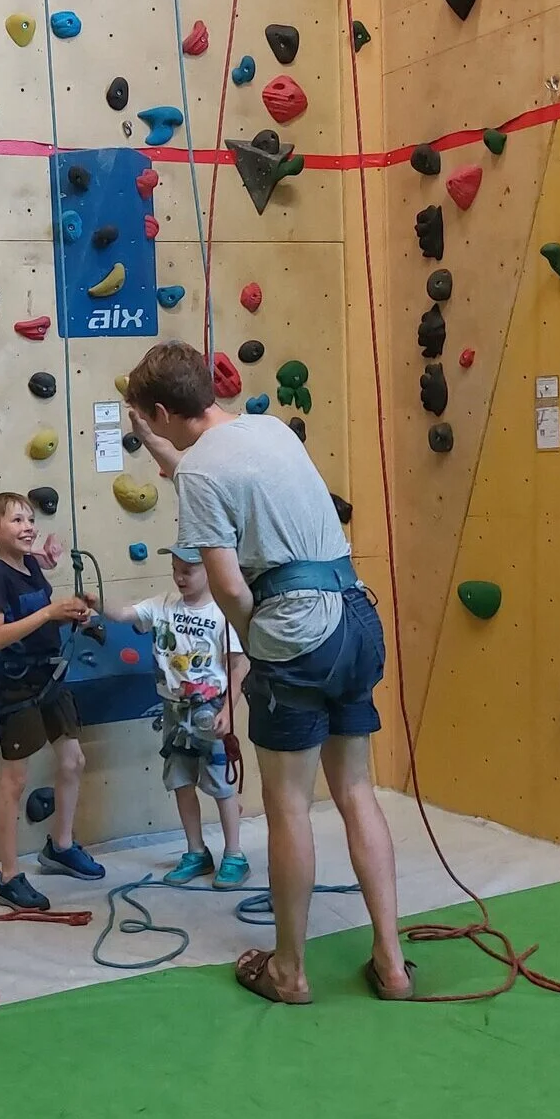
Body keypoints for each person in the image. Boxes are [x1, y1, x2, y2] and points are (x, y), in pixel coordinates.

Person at [124, 342, 414, 1004]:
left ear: (162, 411)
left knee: (288, 806)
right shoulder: (269, 429)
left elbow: (228, 585)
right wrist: (158, 447)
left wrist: (258, 641)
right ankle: (392, 962)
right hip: (355, 615)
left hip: (295, 630)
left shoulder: (201, 472)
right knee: (356, 790)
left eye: (151, 421)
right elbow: (215, 475)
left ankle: (289, 970)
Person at [94, 545, 250, 886]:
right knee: (181, 781)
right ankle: (196, 851)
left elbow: (239, 666)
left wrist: (228, 709)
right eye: (175, 569)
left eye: (187, 571)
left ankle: (235, 853)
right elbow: (124, 614)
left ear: (209, 570)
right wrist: (95, 602)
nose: (179, 577)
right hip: (174, 711)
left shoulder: (222, 613)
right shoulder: (163, 604)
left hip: (210, 709)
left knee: (221, 784)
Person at [0, 492, 105, 911]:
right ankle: (8, 877)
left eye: (30, 520)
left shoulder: (29, 565)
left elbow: (42, 580)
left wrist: (72, 613)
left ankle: (60, 846)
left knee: (73, 760)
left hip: (51, 677)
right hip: (19, 686)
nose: (28, 527)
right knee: (15, 780)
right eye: (17, 520)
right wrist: (51, 613)